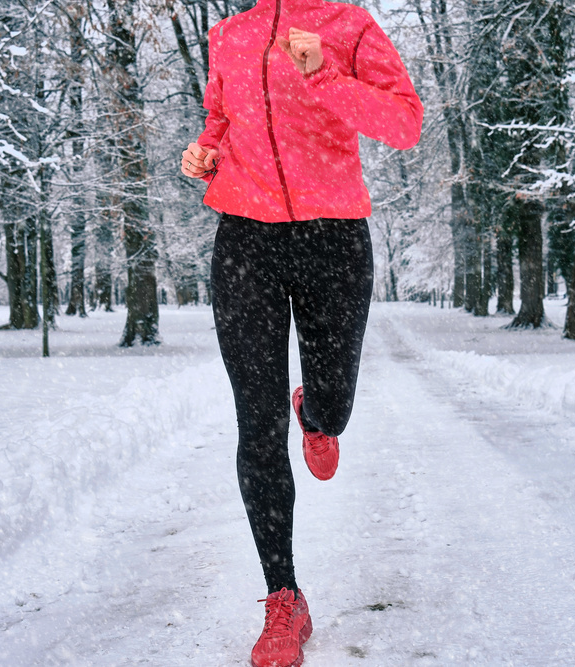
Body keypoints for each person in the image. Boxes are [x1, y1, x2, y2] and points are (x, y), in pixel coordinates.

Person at [180, 0, 422, 663]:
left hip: (333, 237)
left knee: (334, 405)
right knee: (257, 426)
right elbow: (223, 116)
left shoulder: (350, 25)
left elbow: (404, 123)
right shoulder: (229, 34)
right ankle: (284, 597)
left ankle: (315, 413)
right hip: (244, 242)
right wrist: (208, 148)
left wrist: (323, 77)